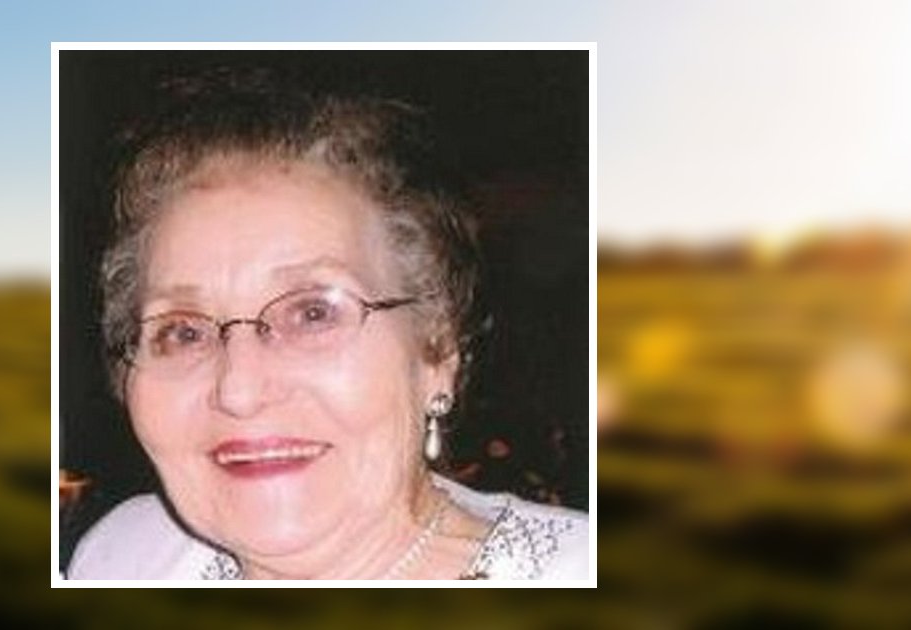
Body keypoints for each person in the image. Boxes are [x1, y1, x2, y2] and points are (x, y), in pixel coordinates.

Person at [66, 69, 588, 580]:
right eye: (184, 331)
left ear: (436, 350)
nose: (239, 391)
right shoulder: (124, 557)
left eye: (312, 313)